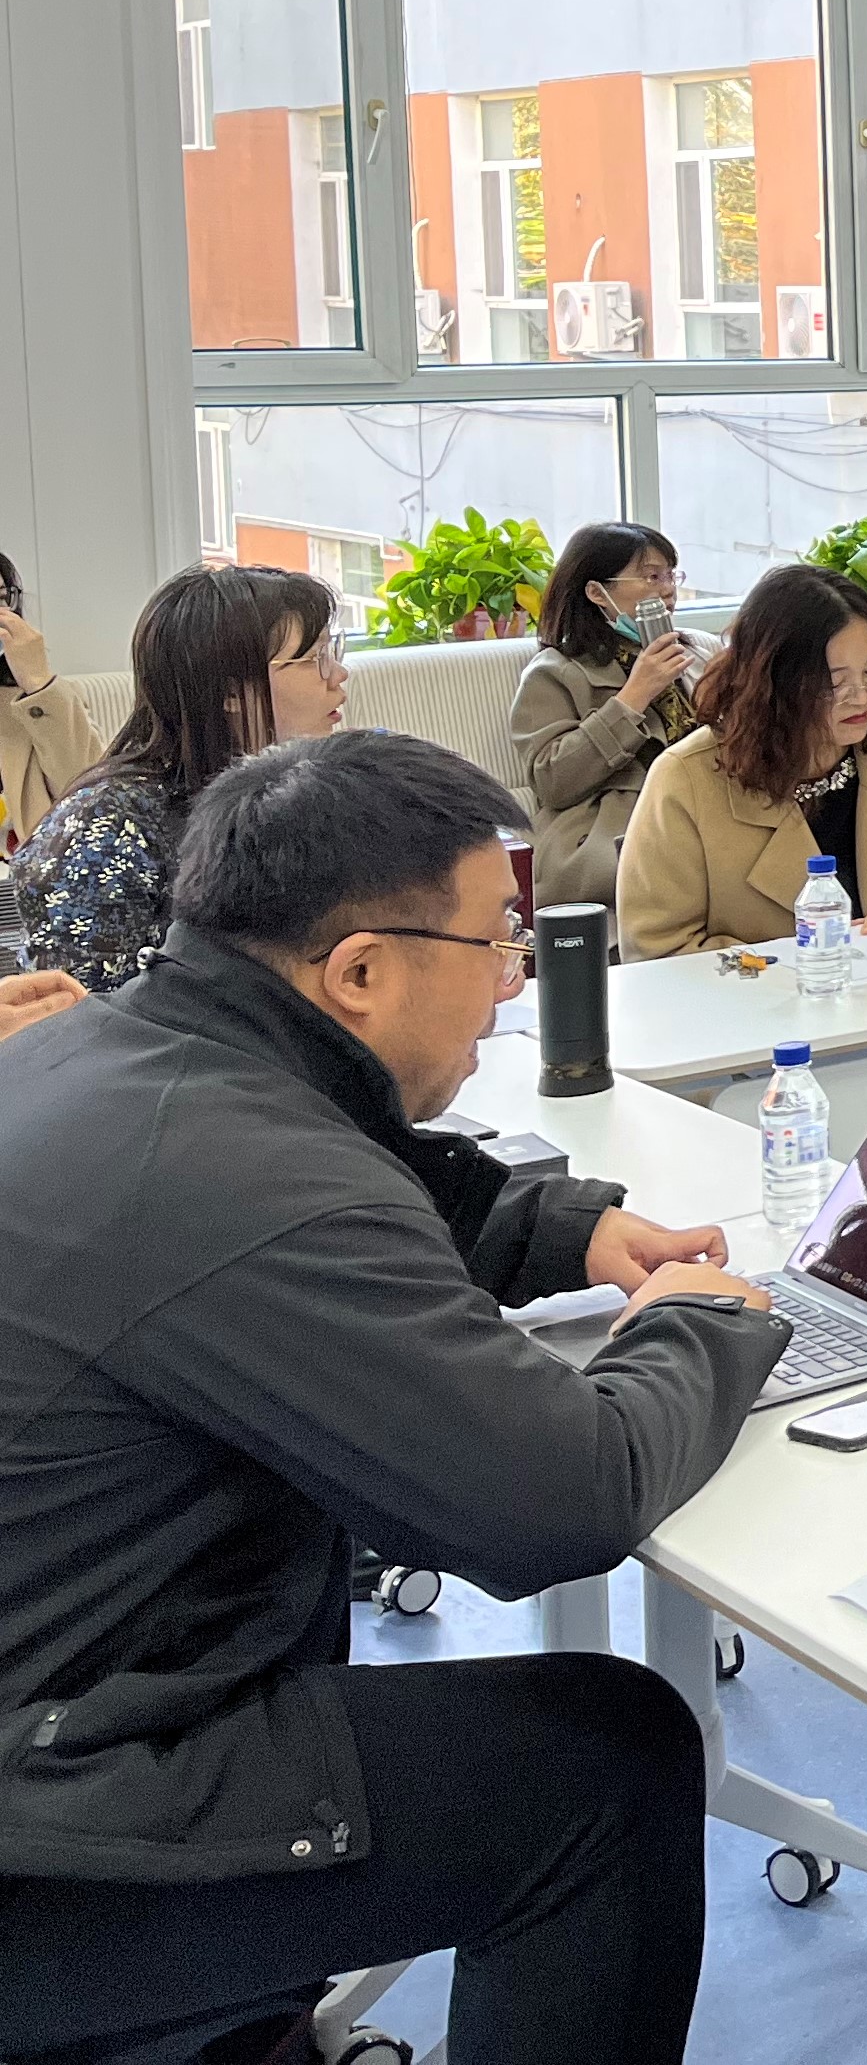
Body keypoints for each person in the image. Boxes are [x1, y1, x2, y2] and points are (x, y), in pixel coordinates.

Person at [0, 729, 784, 2065]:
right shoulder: (255, 1178)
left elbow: (339, 1174)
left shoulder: (99, 1053)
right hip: (51, 1822)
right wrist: (695, 1328)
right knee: (603, 1766)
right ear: (360, 969)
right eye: (494, 943)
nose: (508, 983)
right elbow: (559, 1501)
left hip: (60, 1693)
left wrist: (565, 1230)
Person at [6, 564, 347, 995]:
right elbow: (80, 1015)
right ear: (230, 691)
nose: (338, 675)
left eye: (333, 651)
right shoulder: (109, 826)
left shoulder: (302, 792)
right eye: (315, 659)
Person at [616, 563, 867, 957]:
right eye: (834, 682)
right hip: (757, 991)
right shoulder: (687, 777)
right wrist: (783, 966)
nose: (862, 697)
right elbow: (656, 948)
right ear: (772, 682)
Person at [509, 521, 705, 911]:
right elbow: (552, 781)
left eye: (671, 575)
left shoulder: (695, 652)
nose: (667, 589)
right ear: (597, 592)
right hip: (613, 828)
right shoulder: (556, 670)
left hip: (699, 806)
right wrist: (633, 697)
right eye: (651, 577)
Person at [1, 546, 102, 861]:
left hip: (25, 878)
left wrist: (38, 683)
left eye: (1, 599)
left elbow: (92, 795)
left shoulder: (37, 704)